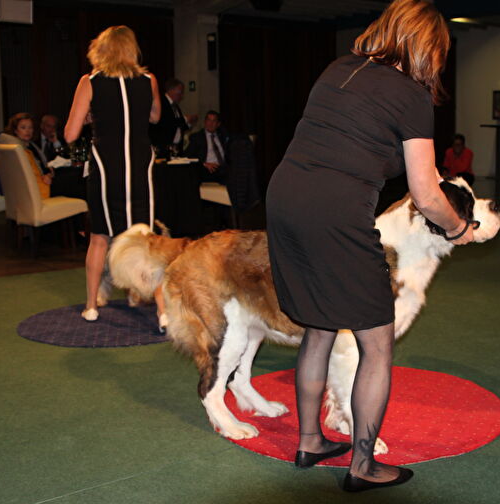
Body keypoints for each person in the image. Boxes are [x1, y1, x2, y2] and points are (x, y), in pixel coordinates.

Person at [265, 0, 474, 492]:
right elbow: (426, 193)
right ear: (428, 48)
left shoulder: (340, 67)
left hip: (285, 198)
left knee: (318, 325)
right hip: (335, 213)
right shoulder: (411, 96)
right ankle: (363, 465)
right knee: (376, 342)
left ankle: (310, 440)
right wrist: (457, 229)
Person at [64, 25, 160, 322]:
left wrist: (95, 116)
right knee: (144, 236)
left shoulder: (89, 82)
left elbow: (69, 134)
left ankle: (92, 305)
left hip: (107, 168)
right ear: (131, 49)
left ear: (101, 49)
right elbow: (155, 116)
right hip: (140, 166)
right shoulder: (149, 80)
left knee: (100, 238)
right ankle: (161, 310)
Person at [0, 113, 53, 199]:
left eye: (30, 127)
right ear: (15, 130)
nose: (28, 131)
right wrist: (45, 176)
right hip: (38, 187)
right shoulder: (19, 149)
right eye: (23, 128)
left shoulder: (30, 145)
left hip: (43, 180)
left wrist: (48, 174)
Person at [149, 78, 196, 157]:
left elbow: (178, 126)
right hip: (163, 149)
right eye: (180, 91)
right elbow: (166, 122)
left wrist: (189, 123)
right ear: (172, 90)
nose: (182, 95)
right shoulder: (162, 102)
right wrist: (185, 119)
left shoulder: (175, 106)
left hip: (175, 149)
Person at [185, 110, 229, 184]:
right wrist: (204, 164)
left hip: (224, 168)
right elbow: (188, 156)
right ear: (205, 122)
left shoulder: (223, 136)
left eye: (214, 121)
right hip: (207, 169)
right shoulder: (197, 137)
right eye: (208, 120)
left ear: (218, 124)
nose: (211, 123)